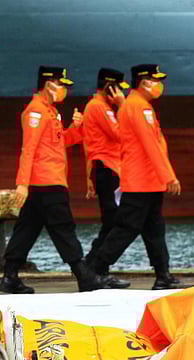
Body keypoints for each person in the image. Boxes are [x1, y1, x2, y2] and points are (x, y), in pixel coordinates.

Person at [0, 66, 107, 294]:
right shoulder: (35, 112)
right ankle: (83, 274)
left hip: (48, 180)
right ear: (49, 84)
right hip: (46, 181)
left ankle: (10, 276)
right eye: (62, 84)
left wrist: (77, 128)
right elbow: (29, 148)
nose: (65, 90)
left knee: (26, 229)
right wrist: (22, 183)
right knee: (63, 227)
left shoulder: (51, 111)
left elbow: (60, 141)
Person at [89, 64, 184, 290]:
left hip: (146, 181)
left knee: (154, 230)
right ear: (144, 82)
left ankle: (163, 275)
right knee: (126, 229)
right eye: (156, 80)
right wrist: (169, 176)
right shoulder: (140, 108)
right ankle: (95, 269)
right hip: (142, 181)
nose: (159, 85)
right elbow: (151, 145)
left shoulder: (133, 106)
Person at [81, 68, 131, 289]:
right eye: (119, 88)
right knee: (113, 221)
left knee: (112, 221)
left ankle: (92, 267)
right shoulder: (99, 107)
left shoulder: (98, 107)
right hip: (108, 169)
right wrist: (124, 106)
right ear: (111, 87)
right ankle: (95, 269)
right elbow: (121, 134)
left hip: (109, 169)